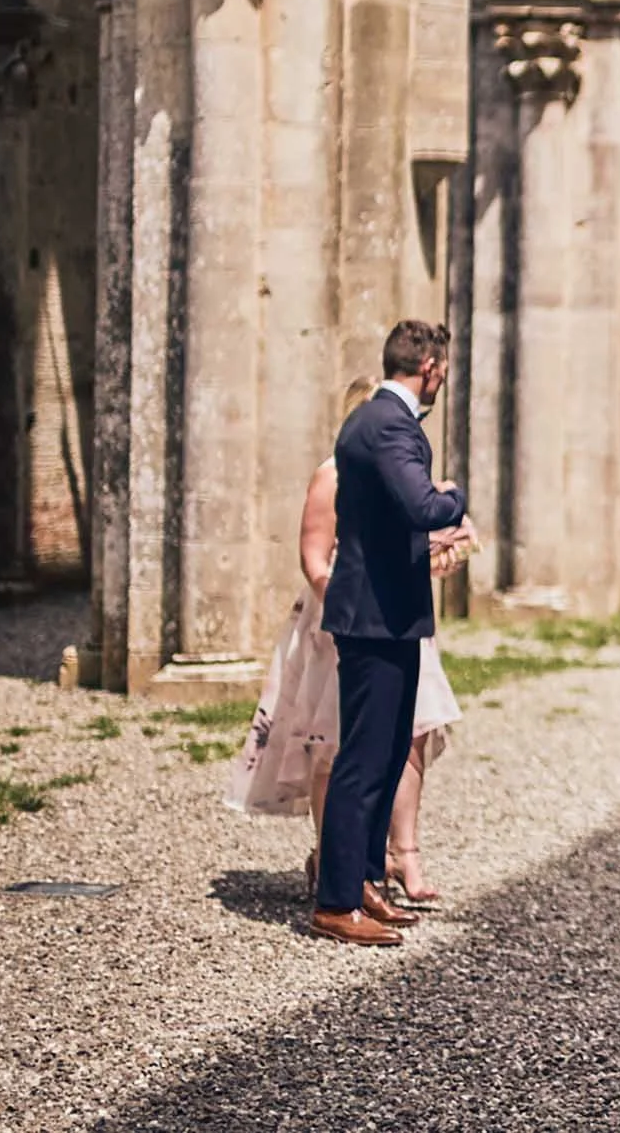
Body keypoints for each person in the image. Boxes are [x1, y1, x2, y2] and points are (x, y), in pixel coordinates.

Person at [225, 378, 467, 904]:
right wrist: (353, 612)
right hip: (347, 622)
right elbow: (315, 560)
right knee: (336, 746)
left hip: (395, 619)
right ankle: (335, 866)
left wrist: (438, 553)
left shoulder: (399, 478)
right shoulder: (333, 476)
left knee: (408, 739)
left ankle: (395, 857)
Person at [311, 321, 467, 948]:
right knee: (365, 757)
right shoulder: (389, 424)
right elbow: (420, 504)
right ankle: (336, 900)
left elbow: (385, 522)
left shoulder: (377, 420)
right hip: (373, 617)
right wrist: (453, 498)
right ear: (430, 366)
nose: (444, 378)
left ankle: (368, 879)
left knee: (388, 747)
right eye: (445, 367)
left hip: (388, 609)